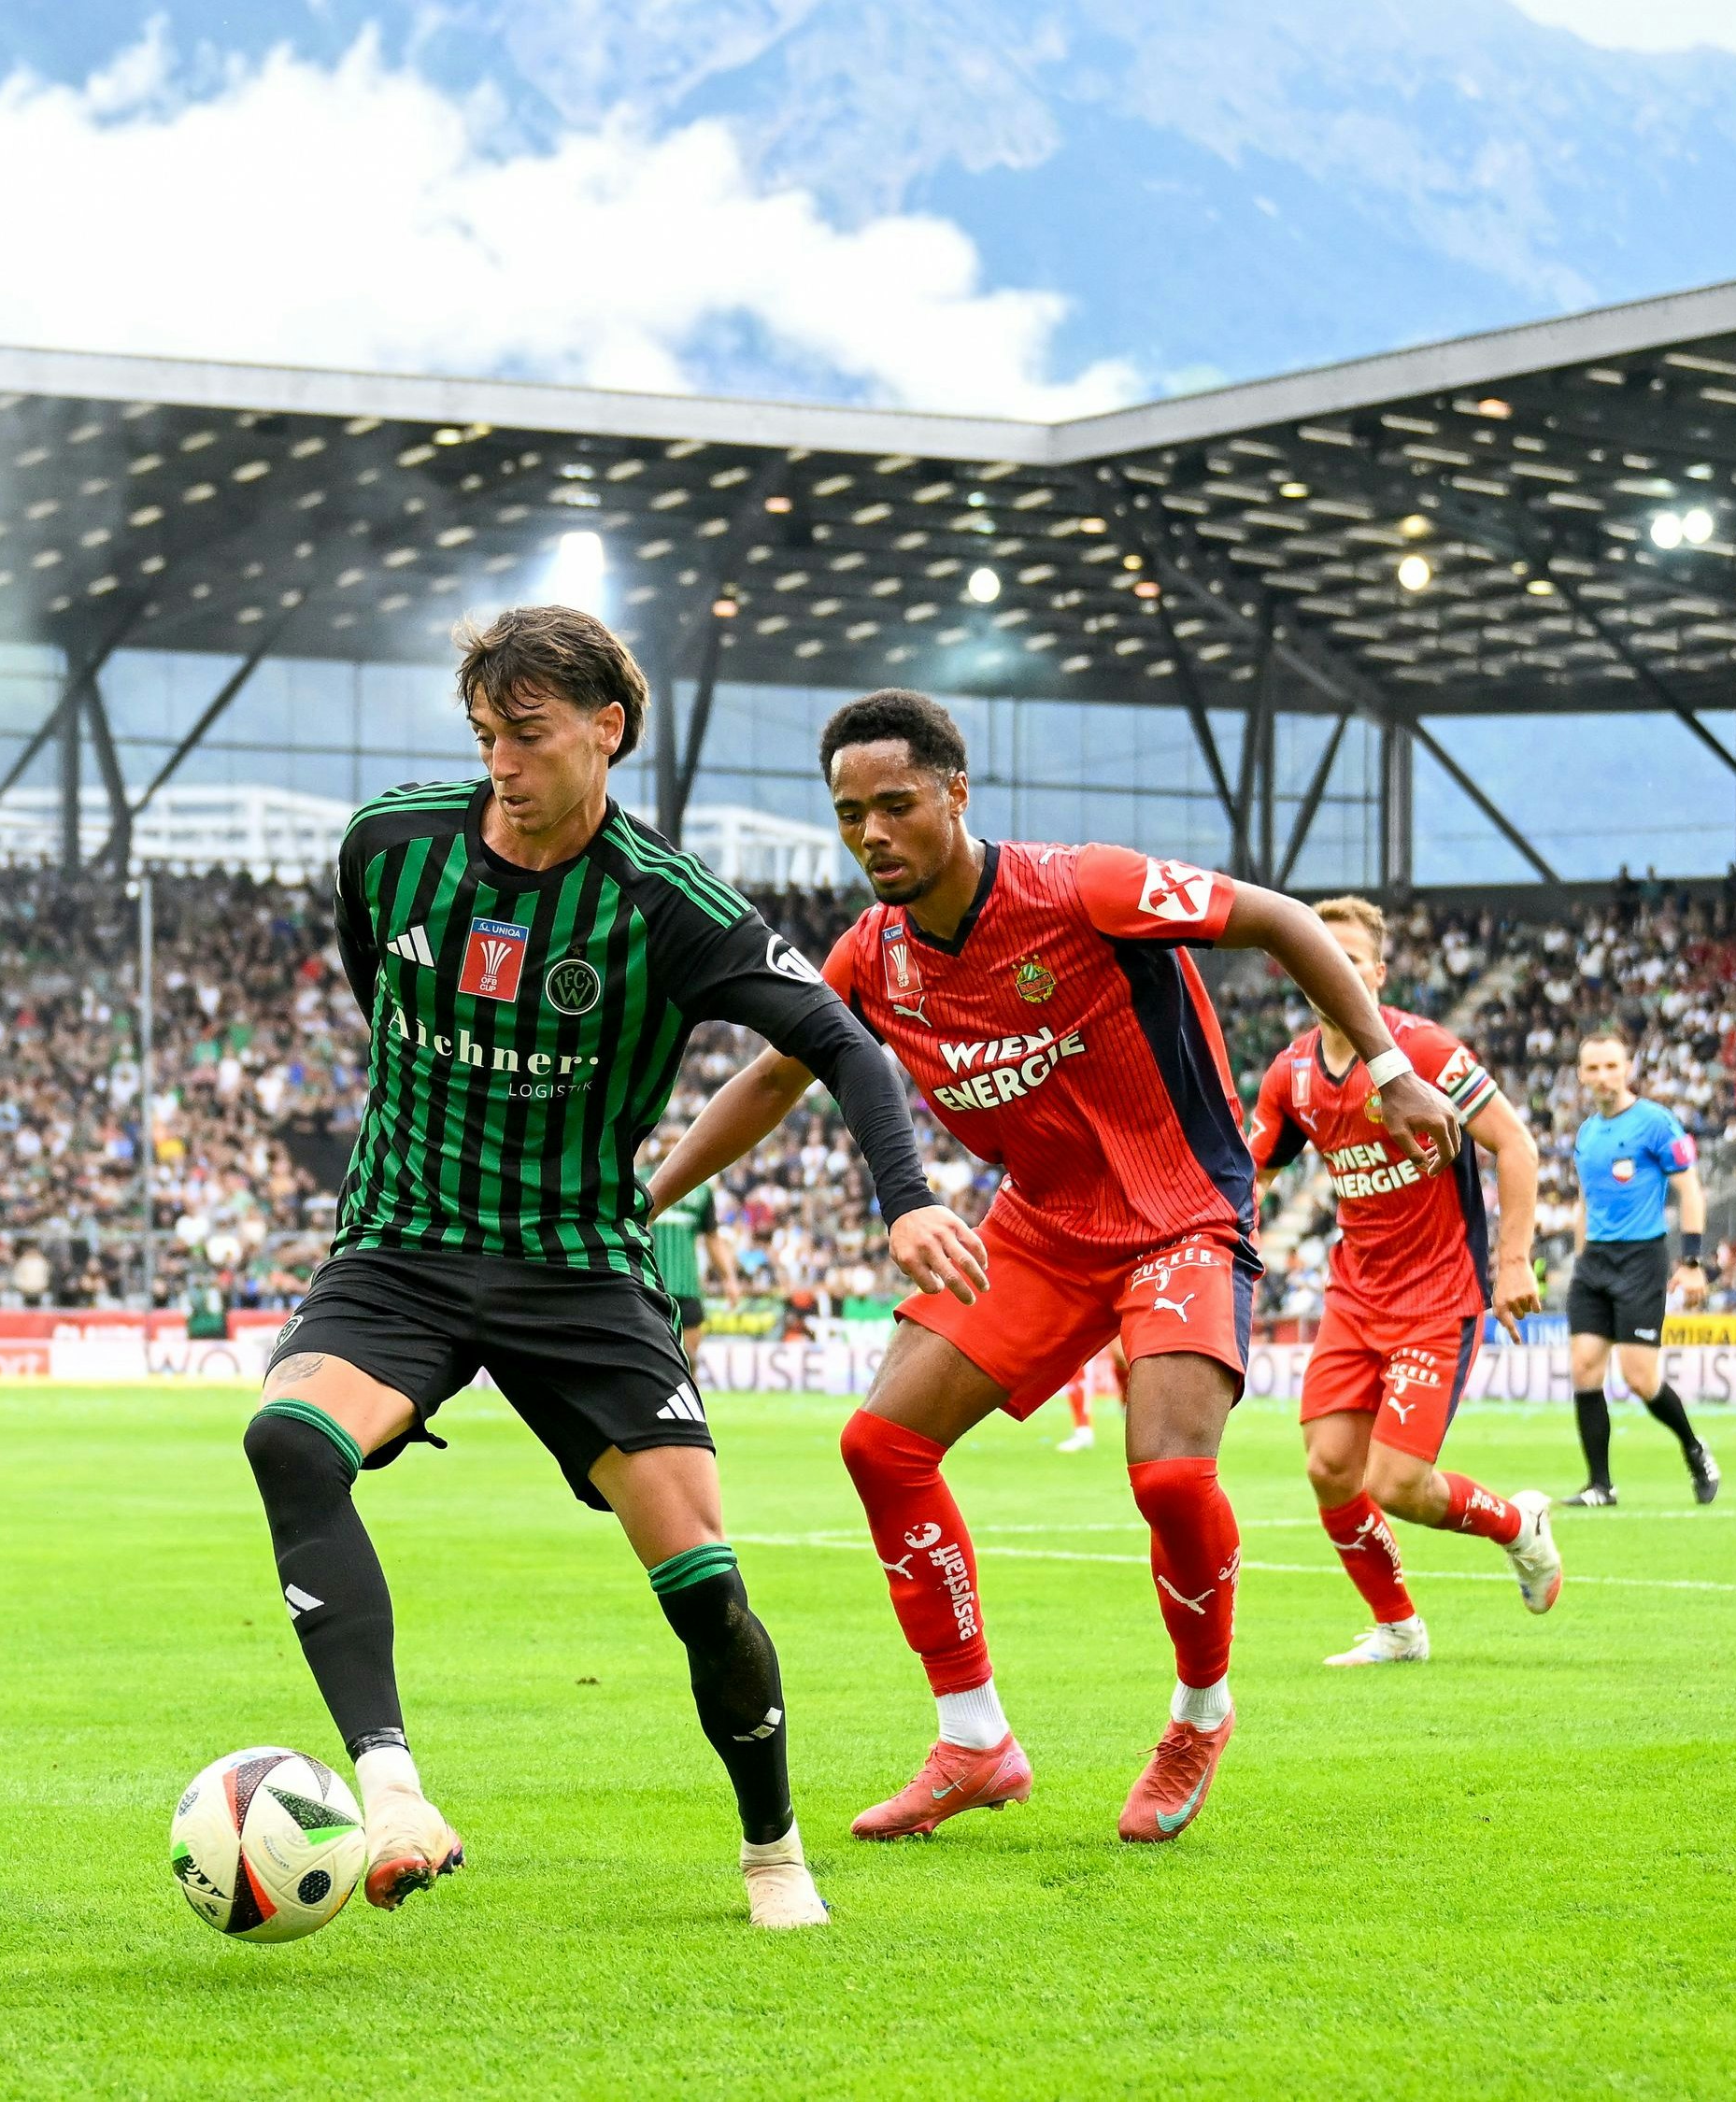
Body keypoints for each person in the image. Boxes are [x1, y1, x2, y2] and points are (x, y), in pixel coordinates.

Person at [245, 606, 985, 1933]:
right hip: (404, 1247)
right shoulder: (389, 847)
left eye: (527, 736)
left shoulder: (668, 905)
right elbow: (384, 1001)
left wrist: (906, 1197)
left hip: (580, 1269)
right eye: (484, 737)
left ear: (607, 731)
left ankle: (773, 1851)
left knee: (701, 1580)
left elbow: (847, 1043)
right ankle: (392, 1787)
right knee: (292, 1441)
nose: (502, 765)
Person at [649, 689, 1457, 1847]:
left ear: (955, 795)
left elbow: (1282, 918)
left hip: (1180, 1211)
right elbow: (777, 1077)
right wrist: (648, 1196)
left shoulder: (1083, 886)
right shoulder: (870, 955)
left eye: (896, 804)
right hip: (1043, 1225)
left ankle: (1198, 1714)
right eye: (847, 815)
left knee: (1171, 1479)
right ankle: (974, 1740)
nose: (871, 832)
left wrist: (1385, 1068)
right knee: (881, 1445)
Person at [1245, 897, 1565, 1664]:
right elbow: (1245, 1172)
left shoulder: (1425, 1052)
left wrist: (1513, 1259)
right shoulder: (1291, 1075)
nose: (1337, 971)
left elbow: (1515, 1147)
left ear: (1377, 974)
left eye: (1352, 959)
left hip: (1438, 1297)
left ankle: (1518, 1526)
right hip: (1355, 1298)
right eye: (1322, 956)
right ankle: (1399, 1629)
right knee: (1328, 1468)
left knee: (1395, 1483)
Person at [1563, 1034, 1717, 1505]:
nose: (1603, 1076)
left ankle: (1695, 1450)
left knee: (1638, 1377)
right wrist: (1579, 1256)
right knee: (1584, 1369)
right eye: (1593, 1068)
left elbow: (1690, 1190)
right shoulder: (1587, 1133)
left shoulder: (1655, 1122)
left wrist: (1692, 1263)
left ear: (1628, 1067)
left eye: (1611, 1065)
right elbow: (1585, 1202)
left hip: (1641, 1258)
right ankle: (1600, 1486)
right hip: (1594, 1264)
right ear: (1580, 1074)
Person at [650, 1173, 718, 1364]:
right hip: (648, 1286)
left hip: (687, 1288)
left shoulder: (702, 1190)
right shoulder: (638, 1179)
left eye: (675, 1140)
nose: (669, 1142)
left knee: (689, 1360)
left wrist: (729, 1278)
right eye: (665, 1140)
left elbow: (712, 1237)